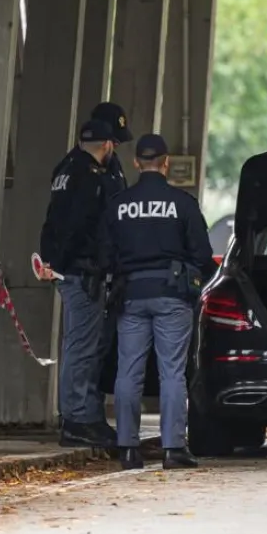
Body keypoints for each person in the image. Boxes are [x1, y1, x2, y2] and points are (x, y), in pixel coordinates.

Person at [101, 133, 215, 470]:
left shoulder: (119, 204)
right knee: (171, 373)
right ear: (166, 163)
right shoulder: (182, 203)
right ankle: (173, 448)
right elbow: (203, 255)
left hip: (131, 295)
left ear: (136, 162)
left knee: (129, 372)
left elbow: (104, 255)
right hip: (172, 296)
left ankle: (127, 448)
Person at [39, 117, 122, 448]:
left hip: (69, 269)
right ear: (107, 145)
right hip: (81, 271)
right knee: (82, 346)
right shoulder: (89, 178)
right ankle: (77, 418)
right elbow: (78, 227)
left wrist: (52, 261)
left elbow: (54, 222)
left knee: (83, 344)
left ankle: (84, 414)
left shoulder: (65, 168)